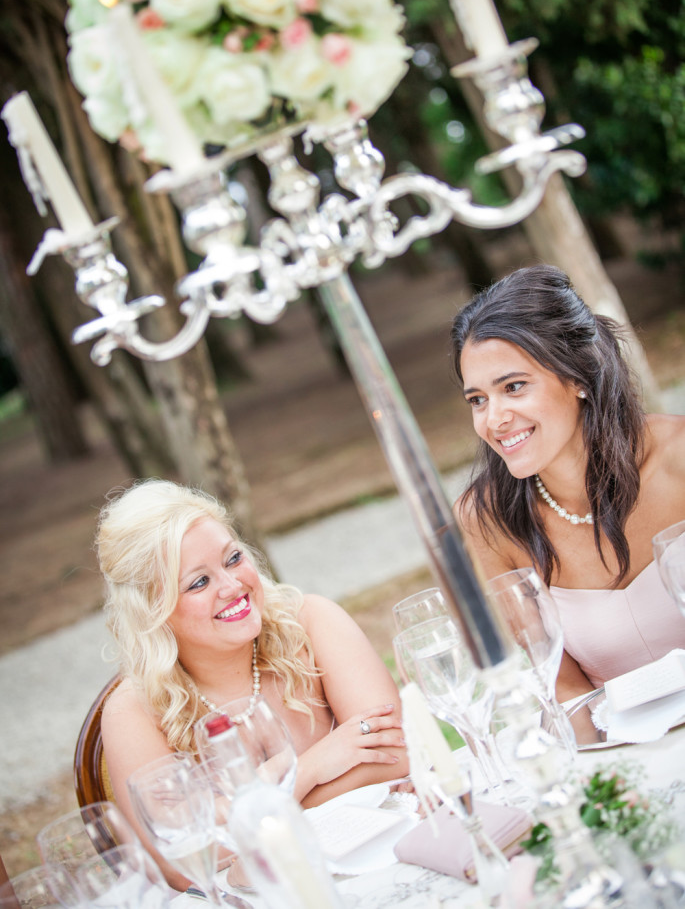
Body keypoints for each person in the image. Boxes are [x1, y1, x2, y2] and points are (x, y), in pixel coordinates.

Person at [95, 478, 408, 888]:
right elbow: (184, 864)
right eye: (199, 582)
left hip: (378, 863)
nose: (233, 586)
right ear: (153, 612)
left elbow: (396, 756)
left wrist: (242, 820)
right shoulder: (133, 711)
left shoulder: (312, 622)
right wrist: (310, 767)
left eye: (232, 558)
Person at [450, 264, 685, 702]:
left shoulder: (678, 456)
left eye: (514, 387)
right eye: (478, 399)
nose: (494, 419)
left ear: (577, 376)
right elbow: (564, 688)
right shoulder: (485, 520)